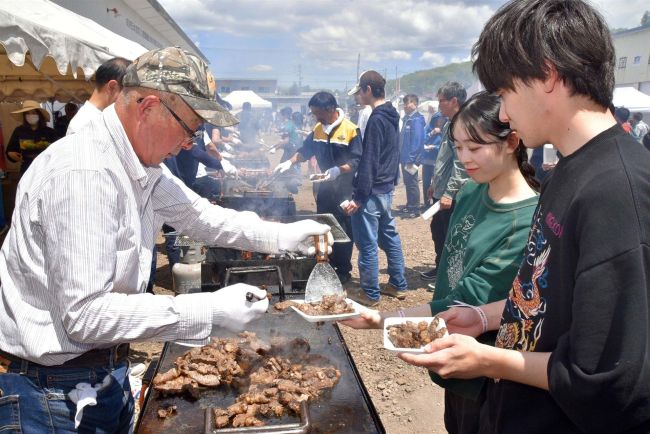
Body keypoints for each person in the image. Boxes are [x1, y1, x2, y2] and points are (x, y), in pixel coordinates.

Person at [0, 47, 332, 433]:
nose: (191, 143)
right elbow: (85, 317)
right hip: (50, 393)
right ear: (149, 106)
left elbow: (200, 216)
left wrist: (281, 235)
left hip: (101, 372)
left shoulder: (140, 165)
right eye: (190, 127)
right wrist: (208, 310)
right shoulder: (85, 173)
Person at [400, 1, 650, 433]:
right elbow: (547, 295)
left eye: (505, 93)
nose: (501, 113)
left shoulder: (616, 193)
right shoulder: (567, 170)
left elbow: (607, 377)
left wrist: (486, 358)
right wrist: (483, 319)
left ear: (548, 75)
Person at [342, 90, 539, 434]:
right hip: (452, 351)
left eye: (475, 148)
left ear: (512, 142)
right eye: (458, 146)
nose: (464, 158)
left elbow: (461, 304)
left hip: (483, 371)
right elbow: (452, 271)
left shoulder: (523, 222)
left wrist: (381, 319)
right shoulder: (472, 191)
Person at [275, 91, 362, 284]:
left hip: (344, 188)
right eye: (314, 113)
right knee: (323, 225)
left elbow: (357, 161)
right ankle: (325, 262)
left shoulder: (350, 129)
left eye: (318, 113)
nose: (316, 117)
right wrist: (289, 162)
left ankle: (343, 269)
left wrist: (338, 170)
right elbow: (306, 150)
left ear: (330, 109)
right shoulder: (318, 129)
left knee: (342, 229)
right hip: (324, 186)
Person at [343, 70, 407, 306]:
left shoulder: (376, 118)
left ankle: (370, 293)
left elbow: (369, 159)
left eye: (360, 91)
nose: (358, 96)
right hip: (386, 188)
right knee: (390, 236)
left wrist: (359, 197)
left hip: (371, 191)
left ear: (368, 90)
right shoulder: (392, 115)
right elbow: (393, 154)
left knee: (367, 243)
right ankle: (398, 285)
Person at [420, 82, 469, 282]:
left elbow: (461, 163)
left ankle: (450, 276)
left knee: (450, 235)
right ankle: (440, 267)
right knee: (438, 230)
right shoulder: (449, 123)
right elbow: (443, 158)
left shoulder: (462, 124)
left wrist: (450, 192)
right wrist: (435, 183)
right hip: (442, 189)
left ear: (454, 101)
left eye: (441, 100)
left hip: (453, 194)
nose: (438, 104)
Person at [67, 57, 131, 135]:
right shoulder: (85, 125)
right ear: (112, 87)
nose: (129, 101)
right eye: (127, 94)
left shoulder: (97, 119)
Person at [6, 100, 59, 175]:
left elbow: (58, 149)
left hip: (46, 169)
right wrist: (11, 154)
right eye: (27, 113)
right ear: (24, 116)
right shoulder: (19, 131)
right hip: (27, 169)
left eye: (34, 113)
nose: (30, 115)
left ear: (39, 115)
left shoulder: (49, 132)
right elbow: (11, 150)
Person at [399, 94, 425, 217]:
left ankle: (415, 208)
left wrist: (411, 158)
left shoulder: (417, 120)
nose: (405, 105)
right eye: (404, 103)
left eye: (408, 103)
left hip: (411, 159)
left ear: (415, 104)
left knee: (413, 182)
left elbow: (417, 141)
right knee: (407, 181)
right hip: (404, 157)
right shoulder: (406, 119)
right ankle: (410, 204)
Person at [422, 111, 446, 208]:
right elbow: (422, 140)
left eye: (442, 120)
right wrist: (431, 133)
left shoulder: (446, 130)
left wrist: (434, 147)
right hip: (427, 161)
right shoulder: (429, 128)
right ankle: (426, 204)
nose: (440, 122)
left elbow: (445, 145)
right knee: (426, 183)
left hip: (439, 162)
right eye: (438, 120)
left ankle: (436, 203)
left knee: (437, 183)